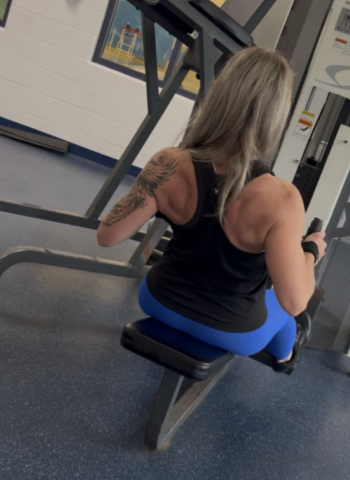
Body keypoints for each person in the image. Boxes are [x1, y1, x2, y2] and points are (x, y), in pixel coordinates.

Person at [96, 47, 327, 373]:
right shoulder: (284, 198)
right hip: (233, 330)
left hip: (158, 300)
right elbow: (294, 301)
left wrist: (160, 196)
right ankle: (284, 358)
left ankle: (282, 353)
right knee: (286, 318)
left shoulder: (167, 162)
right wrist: (310, 252)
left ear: (219, 95)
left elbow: (107, 236)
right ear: (276, 116)